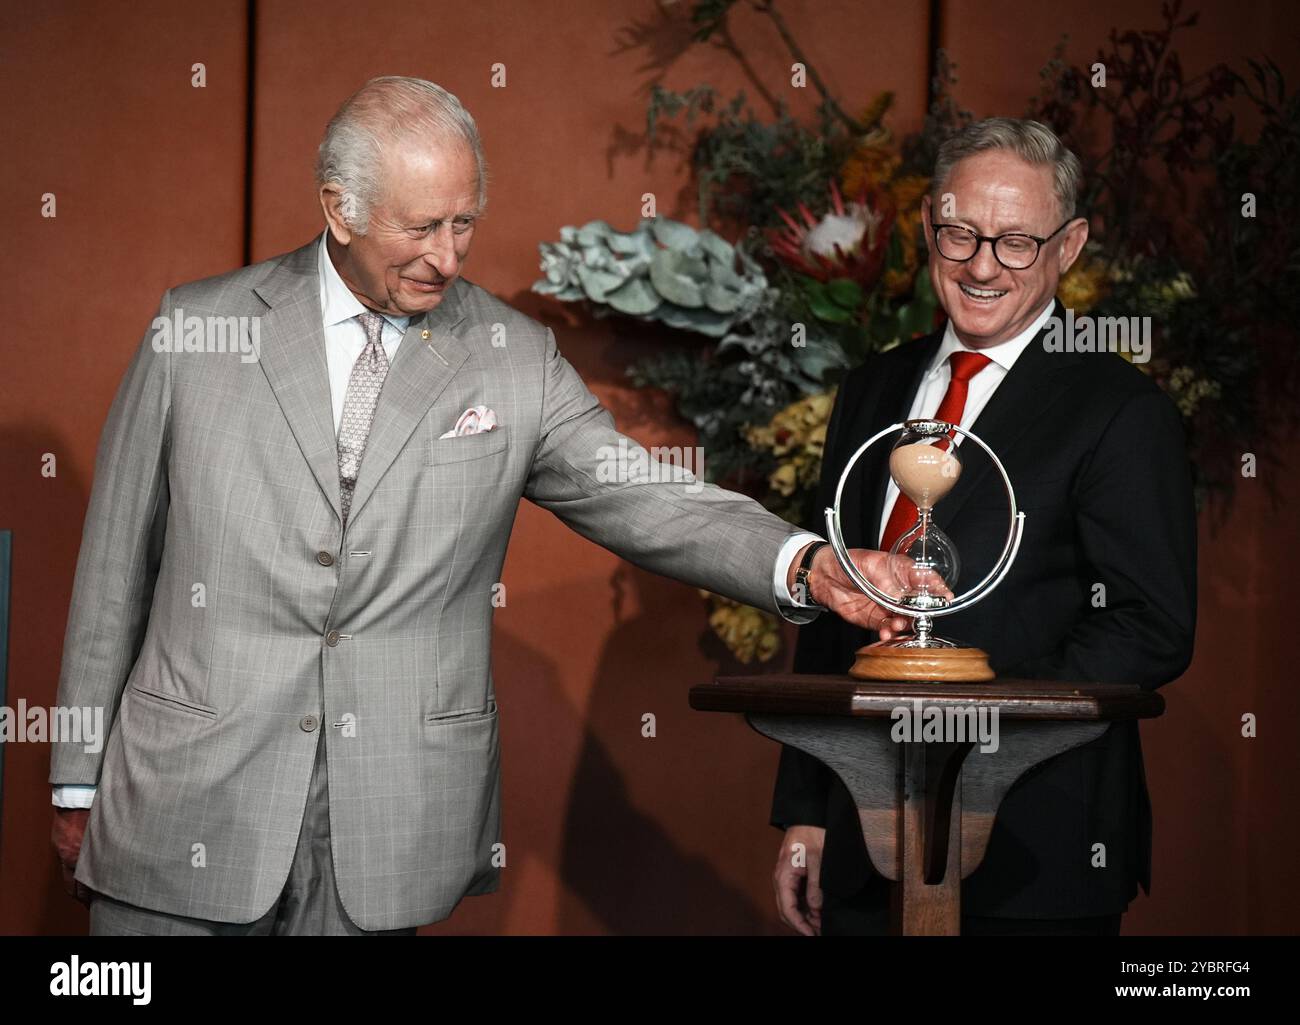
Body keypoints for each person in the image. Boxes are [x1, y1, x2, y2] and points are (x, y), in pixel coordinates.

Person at [49, 76, 906, 936]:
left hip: (385, 830)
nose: (448, 258)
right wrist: (77, 779)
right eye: (421, 228)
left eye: (464, 225)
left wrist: (809, 562)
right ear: (339, 209)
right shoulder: (193, 331)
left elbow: (646, 495)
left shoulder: (513, 359)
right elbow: (113, 570)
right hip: (179, 809)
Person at [770, 117, 1197, 936]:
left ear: (1068, 246)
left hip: (1035, 847)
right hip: (867, 832)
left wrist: (973, 715)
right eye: (960, 233)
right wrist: (809, 810)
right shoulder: (873, 386)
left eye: (1015, 242)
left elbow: (1151, 627)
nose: (981, 265)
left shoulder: (1119, 410)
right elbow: (837, 601)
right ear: (930, 222)